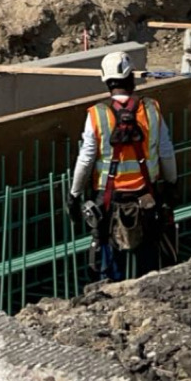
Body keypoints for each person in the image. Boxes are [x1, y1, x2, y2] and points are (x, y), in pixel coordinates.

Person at [67, 51, 178, 280]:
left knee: (107, 259)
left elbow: (86, 159)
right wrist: (172, 184)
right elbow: (166, 151)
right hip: (147, 196)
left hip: (109, 200)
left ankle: (111, 299)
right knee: (149, 262)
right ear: (132, 78)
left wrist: (74, 193)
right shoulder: (151, 109)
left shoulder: (97, 114)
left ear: (106, 81)